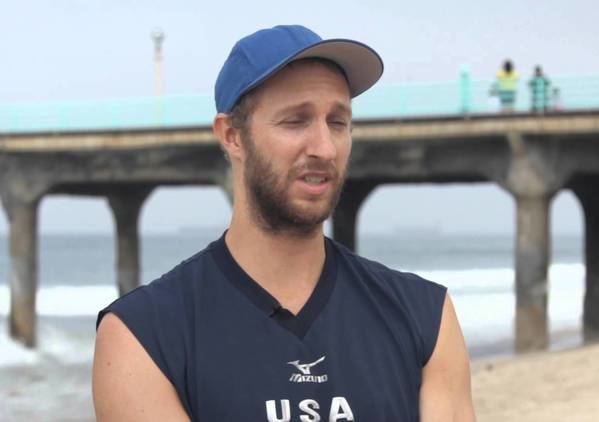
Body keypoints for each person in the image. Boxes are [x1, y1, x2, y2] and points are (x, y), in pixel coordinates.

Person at [92, 25, 475, 422]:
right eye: (296, 121)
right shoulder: (144, 336)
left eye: (338, 122)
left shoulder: (424, 317)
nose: (324, 148)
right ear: (232, 136)